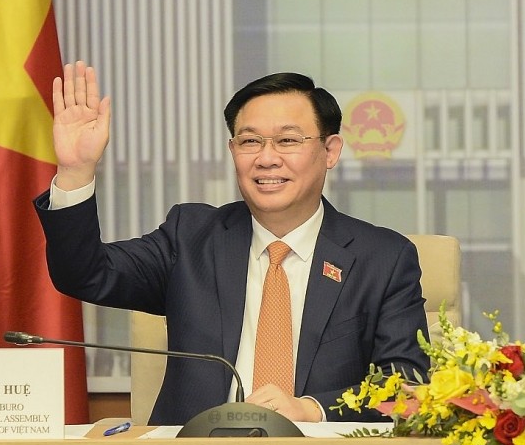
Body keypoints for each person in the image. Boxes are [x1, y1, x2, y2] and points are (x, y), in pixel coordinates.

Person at [35, 61, 430, 425]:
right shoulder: (190, 237)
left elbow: (407, 383)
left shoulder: (383, 258)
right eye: (250, 142)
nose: (267, 159)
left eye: (288, 141)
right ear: (233, 151)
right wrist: (76, 170)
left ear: (330, 151)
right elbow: (85, 275)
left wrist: (312, 409)